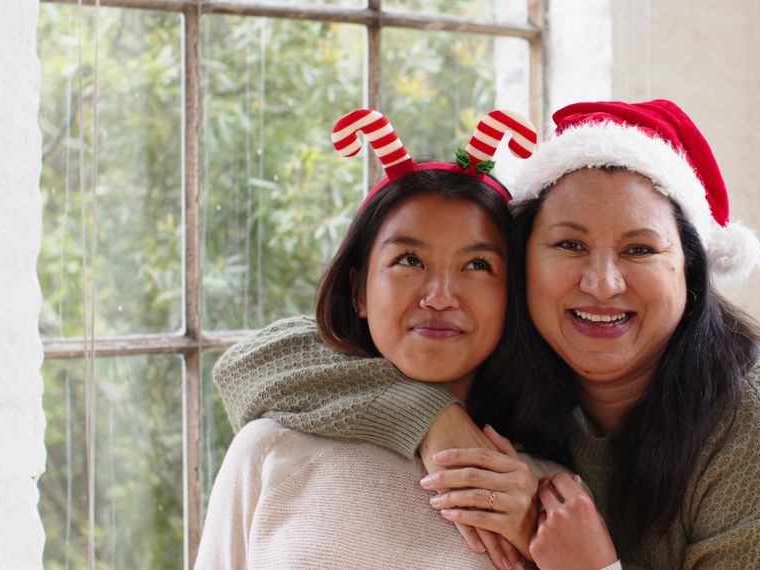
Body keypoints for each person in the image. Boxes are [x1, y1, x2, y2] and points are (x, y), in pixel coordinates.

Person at [213, 100, 760, 568]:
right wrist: (431, 419)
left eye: (639, 250)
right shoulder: (520, 384)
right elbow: (259, 361)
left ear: (691, 269)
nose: (601, 284)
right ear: (524, 270)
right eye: (569, 244)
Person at [195, 109, 556, 570]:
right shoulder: (270, 447)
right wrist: (428, 415)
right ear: (357, 291)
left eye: (478, 265)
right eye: (409, 260)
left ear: (514, 297)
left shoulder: (544, 495)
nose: (441, 297)